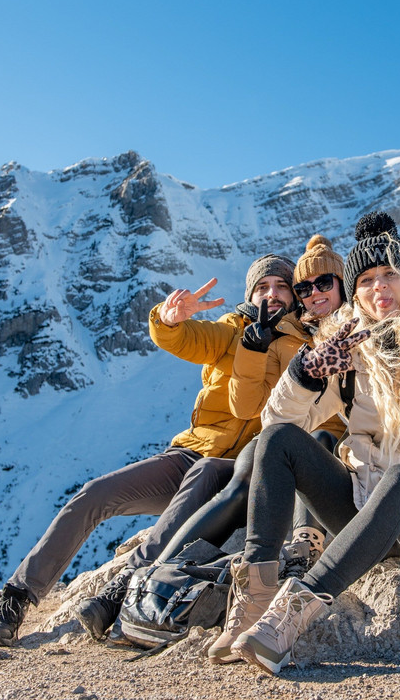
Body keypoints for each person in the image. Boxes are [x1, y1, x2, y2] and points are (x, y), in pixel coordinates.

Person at [212, 211, 400, 675]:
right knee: (281, 440)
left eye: (390, 274)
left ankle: (292, 615)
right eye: (366, 279)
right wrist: (306, 372)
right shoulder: (347, 348)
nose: (379, 287)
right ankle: (252, 601)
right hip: (364, 507)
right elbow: (276, 422)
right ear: (355, 291)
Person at [0, 255, 295, 646]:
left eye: (281, 286)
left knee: (206, 471)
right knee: (95, 494)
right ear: (250, 294)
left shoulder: (298, 343)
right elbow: (186, 339)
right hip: (191, 453)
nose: (272, 294)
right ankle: (15, 598)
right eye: (263, 287)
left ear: (295, 293)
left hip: (237, 472)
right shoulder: (231, 331)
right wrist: (169, 318)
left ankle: (125, 584)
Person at [71, 237, 349, 639]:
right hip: (249, 449)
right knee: (223, 476)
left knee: (315, 439)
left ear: (343, 284)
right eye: (303, 287)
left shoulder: (328, 331)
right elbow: (245, 401)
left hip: (321, 452)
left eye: (320, 284)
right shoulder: (251, 332)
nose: (312, 294)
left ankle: (303, 553)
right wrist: (173, 323)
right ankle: (141, 582)